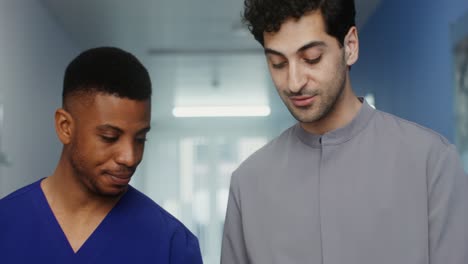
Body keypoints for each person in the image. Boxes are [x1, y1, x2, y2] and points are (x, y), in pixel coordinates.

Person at [221, 0, 468, 263]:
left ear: (350, 46)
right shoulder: (248, 185)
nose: (294, 82)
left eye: (311, 58)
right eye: (278, 63)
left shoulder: (432, 164)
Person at [0, 47, 203, 263]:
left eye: (140, 139)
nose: (130, 157)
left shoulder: (171, 244)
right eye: (109, 137)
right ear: (65, 127)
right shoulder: (6, 224)